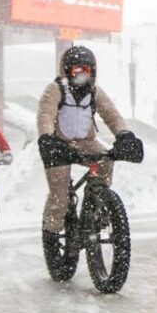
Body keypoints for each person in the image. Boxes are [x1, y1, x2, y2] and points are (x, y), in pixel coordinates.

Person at [36, 46, 135, 235]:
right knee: (60, 196)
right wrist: (47, 137)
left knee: (105, 161)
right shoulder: (55, 90)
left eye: (86, 71)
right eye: (77, 71)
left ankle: (96, 201)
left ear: (93, 72)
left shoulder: (95, 92)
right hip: (58, 145)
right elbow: (45, 115)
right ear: (67, 71)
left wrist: (124, 134)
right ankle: (53, 234)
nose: (82, 76)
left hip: (85, 143)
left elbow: (112, 115)